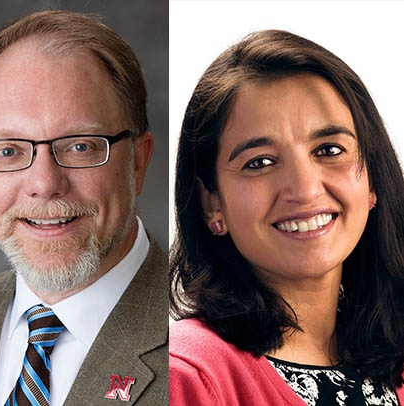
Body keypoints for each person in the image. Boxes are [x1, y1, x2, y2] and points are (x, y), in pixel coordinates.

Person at [0, 10, 168, 406]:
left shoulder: (202, 336)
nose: (44, 184)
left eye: (80, 146)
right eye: (8, 150)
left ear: (138, 161)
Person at [169, 29, 404, 405]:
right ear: (211, 202)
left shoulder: (394, 360)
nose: (306, 189)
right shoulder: (185, 377)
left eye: (329, 149)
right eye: (259, 162)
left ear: (372, 176)